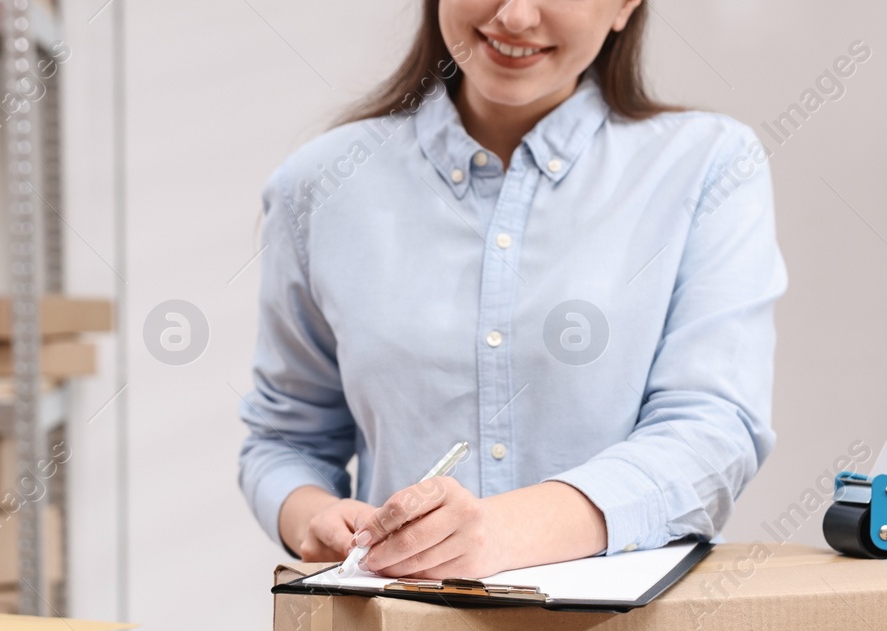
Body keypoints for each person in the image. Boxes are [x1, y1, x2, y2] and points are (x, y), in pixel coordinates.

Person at [237, 0, 785, 580]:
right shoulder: (319, 186)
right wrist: (315, 516)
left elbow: (712, 433)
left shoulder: (707, 165)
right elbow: (284, 440)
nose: (516, 17)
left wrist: (502, 531)